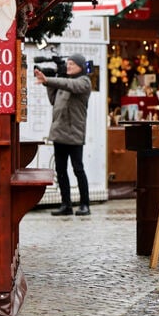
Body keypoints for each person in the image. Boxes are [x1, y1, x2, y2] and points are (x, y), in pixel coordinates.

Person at [35, 54, 92, 217]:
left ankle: (85, 204)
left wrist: (49, 79)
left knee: (78, 169)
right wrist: (49, 81)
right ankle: (66, 204)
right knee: (60, 170)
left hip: (74, 133)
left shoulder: (83, 82)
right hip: (59, 132)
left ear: (81, 66)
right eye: (67, 63)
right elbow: (54, 100)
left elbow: (69, 85)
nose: (69, 66)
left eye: (72, 64)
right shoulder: (63, 82)